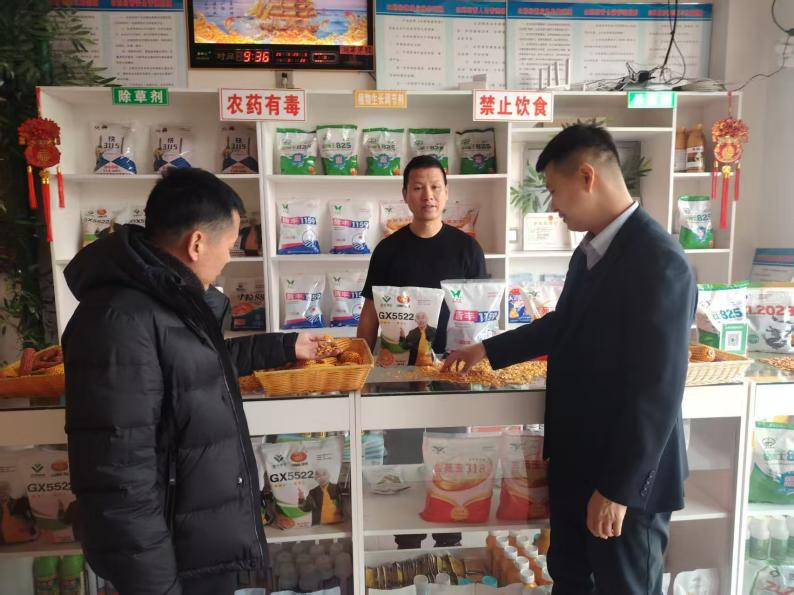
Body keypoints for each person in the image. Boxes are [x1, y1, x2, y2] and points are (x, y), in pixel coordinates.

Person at [444, 124, 697, 594]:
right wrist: (488, 349)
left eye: (554, 191)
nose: (553, 206)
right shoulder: (591, 249)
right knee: (570, 577)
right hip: (577, 462)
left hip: (623, 479)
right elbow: (565, 324)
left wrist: (618, 490)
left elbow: (658, 389)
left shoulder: (659, 260)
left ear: (586, 176)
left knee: (625, 587)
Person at [63, 168, 323, 595]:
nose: (230, 257)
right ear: (197, 242)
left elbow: (196, 367)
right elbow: (119, 479)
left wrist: (282, 346)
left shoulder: (164, 300)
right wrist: (157, 586)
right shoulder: (119, 320)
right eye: (230, 245)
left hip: (195, 544)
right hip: (169, 564)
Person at [357, 154, 487, 549]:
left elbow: (479, 312)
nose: (427, 195)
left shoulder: (467, 248)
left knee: (452, 455)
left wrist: (481, 358)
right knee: (402, 455)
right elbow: (370, 312)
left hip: (454, 372)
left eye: (434, 187)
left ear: (446, 193)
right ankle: (406, 542)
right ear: (405, 195)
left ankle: (449, 540)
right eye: (417, 187)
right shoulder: (388, 250)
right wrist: (361, 367)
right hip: (399, 373)